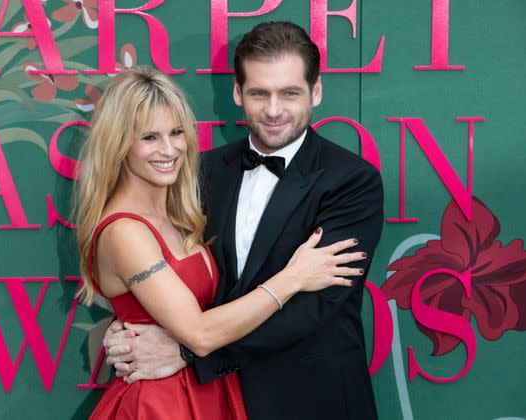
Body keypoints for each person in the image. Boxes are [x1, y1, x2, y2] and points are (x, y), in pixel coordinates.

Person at [103, 21, 384, 419]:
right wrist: (128, 326)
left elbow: (316, 306)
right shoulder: (199, 172)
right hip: (216, 401)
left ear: (315, 91)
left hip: (313, 400)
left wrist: (189, 352)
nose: (273, 110)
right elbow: (163, 270)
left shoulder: (353, 181)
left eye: (289, 93)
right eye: (259, 93)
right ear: (237, 93)